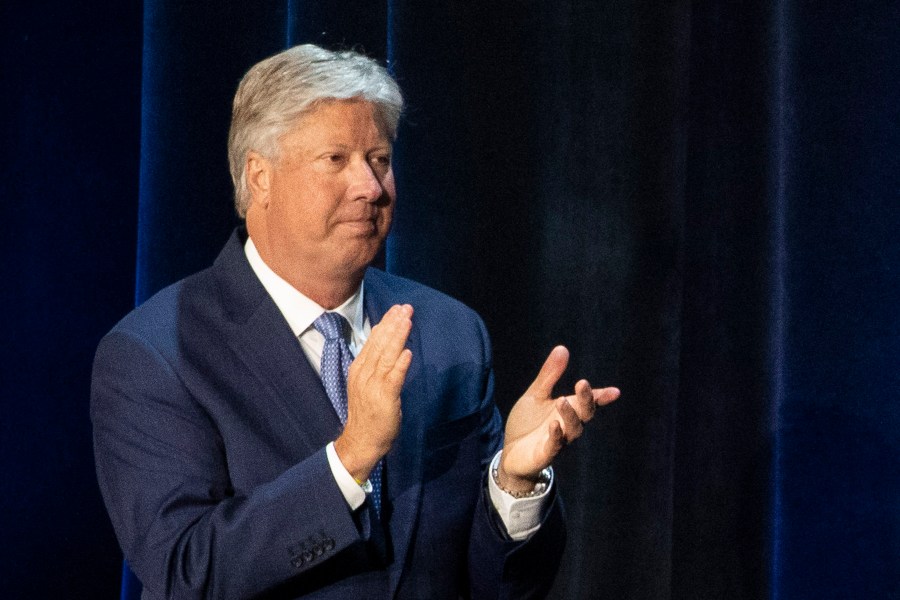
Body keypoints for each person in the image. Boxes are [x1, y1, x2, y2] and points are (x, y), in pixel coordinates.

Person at [91, 44, 619, 600]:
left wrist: (513, 483)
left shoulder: (450, 334)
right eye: (337, 159)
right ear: (260, 176)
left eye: (380, 159)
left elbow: (500, 586)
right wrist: (349, 460)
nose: (370, 187)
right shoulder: (155, 352)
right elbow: (186, 570)